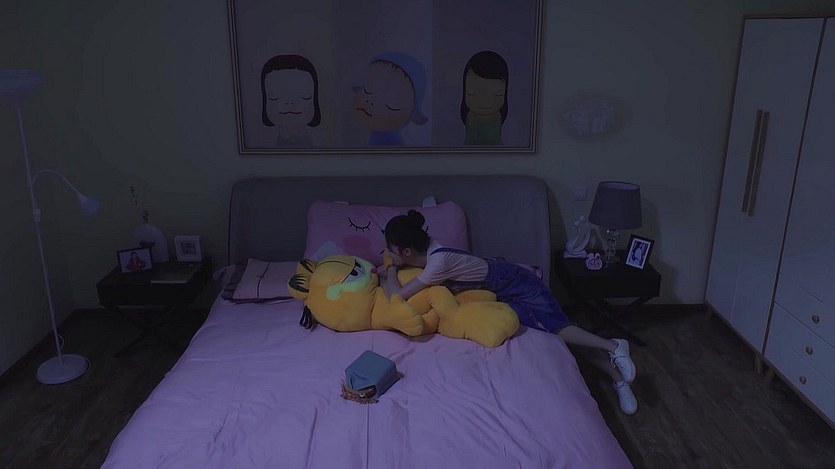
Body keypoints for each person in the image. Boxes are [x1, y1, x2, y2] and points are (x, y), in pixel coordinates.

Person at [380, 210, 639, 415]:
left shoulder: (438, 263)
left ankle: (613, 346)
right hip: (501, 293)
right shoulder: (430, 254)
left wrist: (390, 268)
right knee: (553, 334)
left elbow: (395, 297)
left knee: (558, 327)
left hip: (518, 284)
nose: (387, 253)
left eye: (390, 250)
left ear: (406, 251)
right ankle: (616, 376)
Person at [460, 50, 508, 145]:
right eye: (472, 93)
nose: (484, 101)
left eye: (496, 94)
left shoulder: (497, 117)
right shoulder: (471, 117)